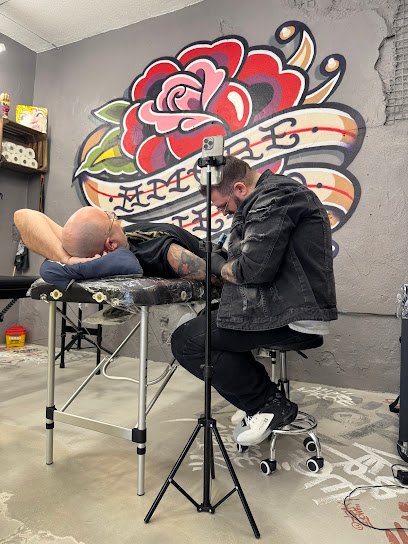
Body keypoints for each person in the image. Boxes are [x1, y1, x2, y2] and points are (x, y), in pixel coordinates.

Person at [171, 155, 337, 446]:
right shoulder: (269, 199)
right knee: (200, 324)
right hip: (278, 308)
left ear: (240, 188)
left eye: (223, 206)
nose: (224, 213)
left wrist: (215, 265)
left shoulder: (275, 197)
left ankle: (267, 404)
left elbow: (252, 270)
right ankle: (254, 401)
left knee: (187, 340)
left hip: (292, 316)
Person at [14, 207, 210, 281]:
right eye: (111, 218)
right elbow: (212, 273)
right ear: (111, 244)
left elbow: (22, 215)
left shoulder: (82, 248)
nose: (118, 221)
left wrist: (67, 259)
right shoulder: (152, 251)